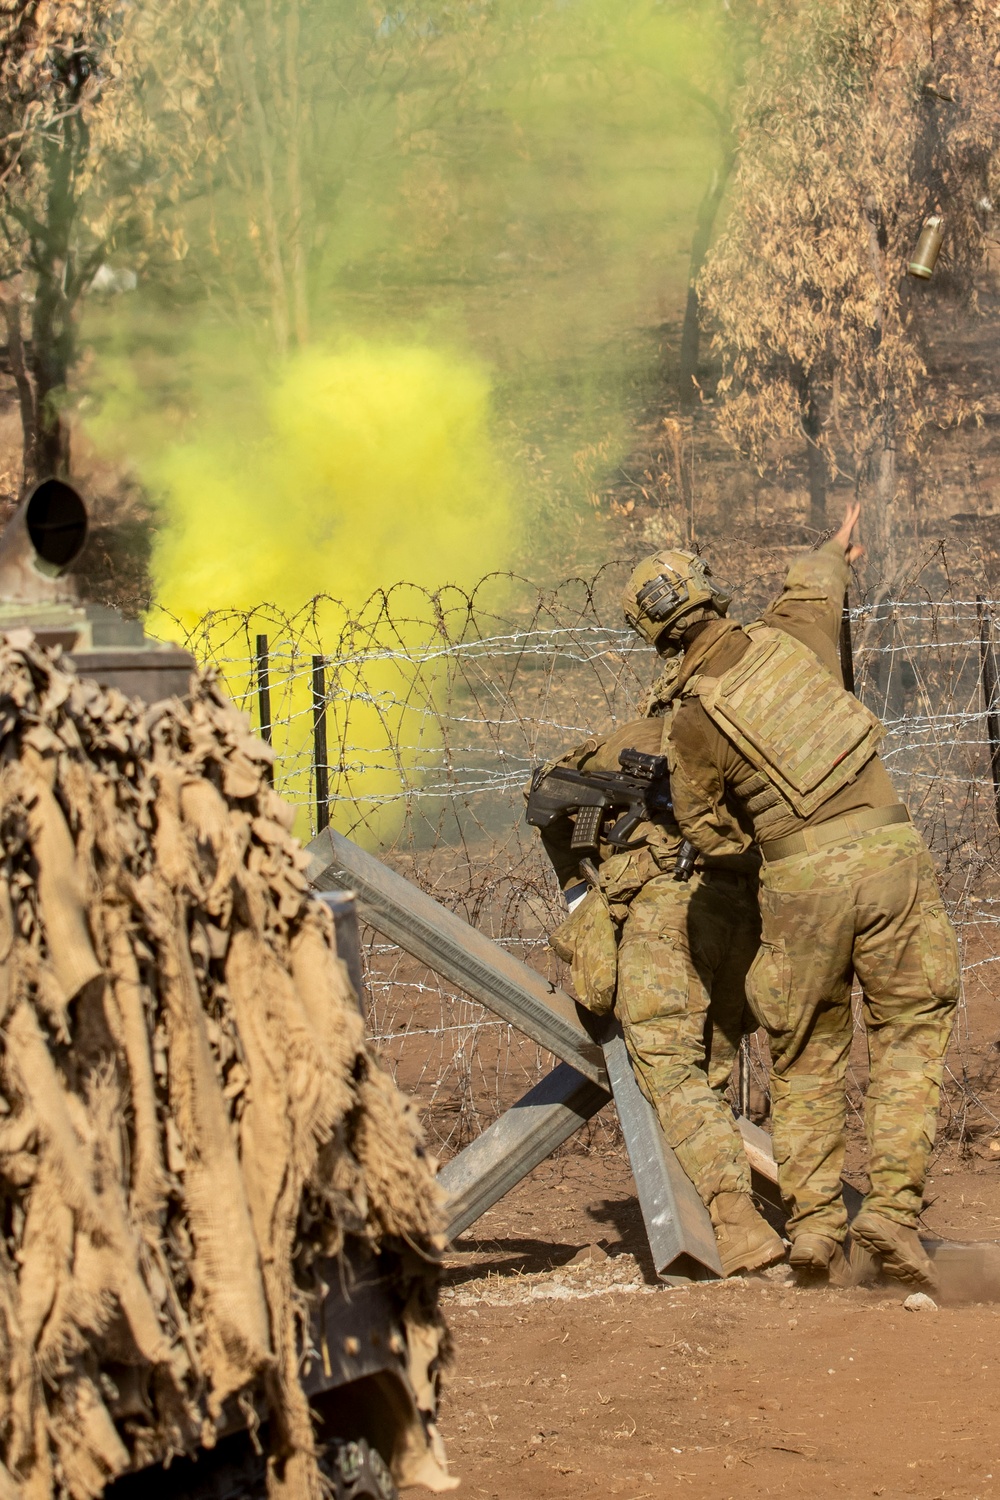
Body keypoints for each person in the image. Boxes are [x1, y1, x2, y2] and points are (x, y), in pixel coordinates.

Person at [621, 504, 959, 1290]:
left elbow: (704, 828)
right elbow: (814, 586)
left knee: (805, 1051)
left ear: (653, 632)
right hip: (889, 856)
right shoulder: (793, 642)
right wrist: (837, 545)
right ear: (709, 593)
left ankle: (813, 1229)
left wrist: (763, 849)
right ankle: (893, 1214)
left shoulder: (691, 721)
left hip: (797, 881)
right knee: (910, 1029)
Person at [529, 653, 785, 1279]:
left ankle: (735, 1222)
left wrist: (581, 895)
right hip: (740, 913)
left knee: (673, 1077)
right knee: (709, 1073)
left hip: (666, 912)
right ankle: (737, 1214)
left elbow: (544, 795)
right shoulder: (750, 745)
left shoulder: (629, 739)